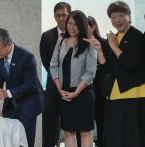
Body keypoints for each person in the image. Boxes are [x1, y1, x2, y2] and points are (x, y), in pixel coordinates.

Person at [85, 1, 145, 147]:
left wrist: (112, 45)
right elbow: (108, 69)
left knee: (132, 140)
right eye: (113, 17)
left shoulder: (138, 37)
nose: (117, 20)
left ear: (129, 16)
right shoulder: (115, 38)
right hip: (114, 95)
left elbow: (130, 64)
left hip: (134, 96)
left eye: (121, 15)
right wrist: (99, 50)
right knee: (115, 139)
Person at [50, 10, 97, 147]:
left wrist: (76, 92)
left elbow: (90, 73)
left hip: (83, 93)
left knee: (85, 131)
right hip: (64, 93)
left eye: (76, 24)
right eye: (70, 23)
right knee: (68, 131)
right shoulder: (61, 42)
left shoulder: (89, 43)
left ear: (82, 26)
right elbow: (53, 66)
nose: (72, 27)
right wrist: (60, 90)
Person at [0, 28, 44, 147]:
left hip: (29, 101)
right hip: (11, 103)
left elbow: (31, 85)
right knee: (8, 136)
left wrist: (7, 93)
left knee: (25, 140)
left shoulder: (27, 57)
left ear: (8, 45)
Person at [39, 2, 71, 146]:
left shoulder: (76, 34)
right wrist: (57, 78)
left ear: (69, 15)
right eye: (58, 15)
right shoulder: (46, 36)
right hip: (52, 86)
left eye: (64, 15)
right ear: (54, 17)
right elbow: (46, 61)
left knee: (72, 124)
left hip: (73, 86)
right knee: (50, 125)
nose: (61, 18)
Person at [87, 16, 106, 147]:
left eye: (87, 26)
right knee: (84, 124)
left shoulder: (104, 43)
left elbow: (107, 66)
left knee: (102, 122)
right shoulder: (79, 43)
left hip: (101, 90)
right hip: (84, 90)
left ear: (93, 26)